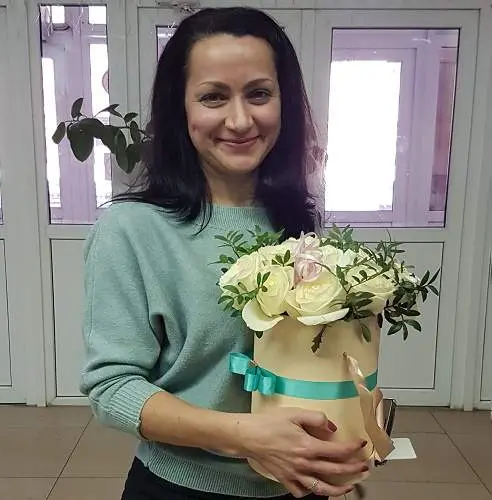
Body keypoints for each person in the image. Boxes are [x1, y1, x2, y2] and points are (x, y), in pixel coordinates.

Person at [80, 7, 369, 500]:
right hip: (181, 487)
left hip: (298, 483)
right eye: (213, 96)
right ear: (180, 109)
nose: (240, 120)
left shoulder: (297, 222)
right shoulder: (131, 230)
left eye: (259, 94)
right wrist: (245, 437)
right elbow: (112, 388)